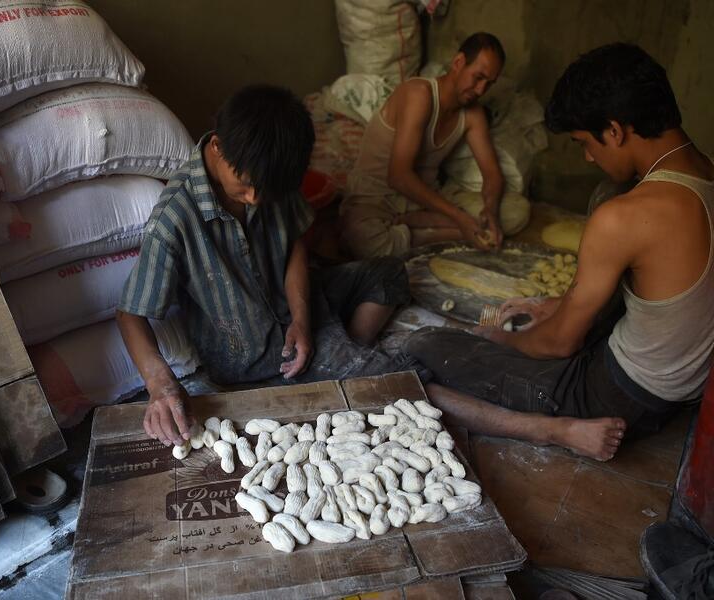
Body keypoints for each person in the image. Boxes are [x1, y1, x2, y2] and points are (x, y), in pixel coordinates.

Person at [403, 43, 714, 461]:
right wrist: (559, 304)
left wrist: (497, 339)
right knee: (608, 195)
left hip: (621, 399)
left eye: (585, 142)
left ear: (615, 130)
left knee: (425, 346)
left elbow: (559, 345)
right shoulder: (704, 173)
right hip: (685, 388)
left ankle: (554, 429)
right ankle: (568, 316)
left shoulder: (626, 217)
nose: (587, 156)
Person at [116, 85, 411, 447]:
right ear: (217, 148)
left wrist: (302, 319)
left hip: (300, 302)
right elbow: (131, 314)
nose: (255, 199)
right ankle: (333, 366)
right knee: (393, 383)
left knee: (390, 272)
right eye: (246, 186)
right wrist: (160, 385)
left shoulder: (272, 172)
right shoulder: (175, 219)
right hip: (256, 351)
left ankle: (342, 354)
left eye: (265, 190)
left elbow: (297, 243)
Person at [339, 32, 530, 259]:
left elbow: (492, 175)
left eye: (489, 84)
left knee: (516, 211)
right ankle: (448, 232)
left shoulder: (473, 114)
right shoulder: (419, 95)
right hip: (377, 199)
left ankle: (420, 226)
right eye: (478, 77)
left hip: (423, 202)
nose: (480, 90)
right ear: (458, 63)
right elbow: (398, 176)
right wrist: (460, 219)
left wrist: (490, 209)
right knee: (367, 242)